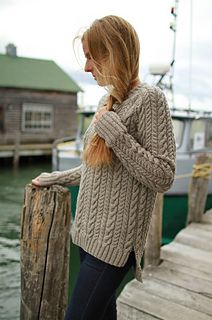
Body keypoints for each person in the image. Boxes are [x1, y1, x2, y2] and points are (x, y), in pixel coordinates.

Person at [32, 15, 176, 320]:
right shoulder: (106, 101)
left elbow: (163, 176)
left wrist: (115, 134)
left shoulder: (150, 100)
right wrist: (57, 177)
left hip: (113, 247)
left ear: (112, 53)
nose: (86, 67)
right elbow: (99, 169)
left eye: (90, 57)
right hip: (86, 238)